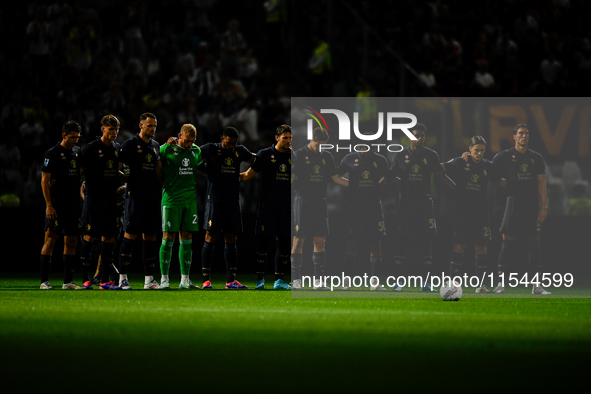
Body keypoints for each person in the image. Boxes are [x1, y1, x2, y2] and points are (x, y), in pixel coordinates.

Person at [390, 123, 455, 291]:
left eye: (422, 136)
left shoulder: (431, 155)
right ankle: (398, 283)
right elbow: (390, 176)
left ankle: (426, 283)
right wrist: (402, 185)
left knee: (426, 242)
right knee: (402, 242)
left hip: (425, 205)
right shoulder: (399, 155)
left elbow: (441, 176)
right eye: (416, 135)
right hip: (406, 205)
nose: (420, 138)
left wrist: (458, 189)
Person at [491, 123, 550, 295]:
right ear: (514, 136)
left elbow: (541, 183)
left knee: (534, 244)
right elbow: (489, 170)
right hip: (513, 204)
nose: (524, 136)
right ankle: (500, 284)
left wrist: (544, 207)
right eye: (521, 133)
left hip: (532, 205)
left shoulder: (536, 157)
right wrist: (502, 183)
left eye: (526, 133)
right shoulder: (504, 156)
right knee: (507, 243)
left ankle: (537, 286)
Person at [443, 136, 503, 293]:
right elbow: (441, 168)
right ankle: (452, 286)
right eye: (476, 150)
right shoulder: (460, 162)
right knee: (459, 247)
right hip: (463, 212)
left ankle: (481, 286)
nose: (479, 153)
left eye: (482, 150)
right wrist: (454, 187)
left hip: (481, 213)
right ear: (470, 149)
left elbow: (500, 181)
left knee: (481, 248)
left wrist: (517, 182)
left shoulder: (488, 166)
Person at [290, 127, 348, 289]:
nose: (319, 147)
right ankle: (296, 280)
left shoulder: (326, 156)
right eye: (317, 144)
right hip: (303, 200)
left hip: (320, 202)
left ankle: (318, 282)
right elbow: (292, 177)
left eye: (323, 145)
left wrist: (357, 186)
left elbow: (336, 178)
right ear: (311, 139)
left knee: (320, 241)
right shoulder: (300, 155)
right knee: (299, 240)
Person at [199, 127, 254, 289]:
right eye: (229, 143)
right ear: (222, 139)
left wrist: (246, 175)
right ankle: (205, 280)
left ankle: (231, 280)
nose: (231, 146)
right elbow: (192, 154)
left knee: (231, 239)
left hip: (232, 202)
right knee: (210, 237)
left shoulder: (240, 151)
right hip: (214, 201)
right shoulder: (210, 149)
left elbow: (255, 159)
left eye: (234, 143)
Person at [241, 124, 293, 290]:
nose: (288, 141)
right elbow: (248, 175)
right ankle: (260, 280)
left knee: (284, 243)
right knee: (263, 243)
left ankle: (279, 280)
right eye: (285, 138)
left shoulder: (294, 157)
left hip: (286, 207)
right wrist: (227, 177)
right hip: (267, 207)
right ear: (277, 138)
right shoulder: (264, 154)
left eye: (290, 138)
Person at [78, 115, 124, 290]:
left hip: (110, 199)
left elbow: (118, 172)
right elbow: (80, 171)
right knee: (89, 237)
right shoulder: (90, 149)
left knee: (109, 239)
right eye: (111, 129)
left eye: (116, 129)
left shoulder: (117, 149)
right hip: (94, 199)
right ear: (102, 129)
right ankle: (85, 279)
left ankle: (104, 281)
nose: (114, 132)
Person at [117, 113, 162, 290]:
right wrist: (125, 180)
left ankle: (149, 280)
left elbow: (158, 172)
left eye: (155, 126)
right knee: (130, 235)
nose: (152, 129)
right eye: (149, 125)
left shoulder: (156, 146)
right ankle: (123, 278)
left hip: (152, 198)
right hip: (135, 197)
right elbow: (117, 168)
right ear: (141, 126)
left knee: (150, 237)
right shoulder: (129, 145)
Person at [39, 120, 86, 290]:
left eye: (77, 137)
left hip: (73, 205)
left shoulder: (77, 153)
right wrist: (49, 205)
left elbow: (80, 172)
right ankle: (44, 282)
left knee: (72, 241)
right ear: (63, 136)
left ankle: (68, 282)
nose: (75, 140)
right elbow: (44, 181)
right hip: (57, 205)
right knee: (51, 239)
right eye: (72, 137)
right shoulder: (52, 153)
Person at [157, 124, 204, 289]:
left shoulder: (196, 151)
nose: (190, 144)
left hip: (189, 201)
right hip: (171, 200)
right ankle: (164, 279)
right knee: (168, 238)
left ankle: (185, 280)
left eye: (193, 141)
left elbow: (204, 167)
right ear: (180, 136)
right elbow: (157, 170)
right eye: (187, 140)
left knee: (187, 239)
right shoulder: (165, 149)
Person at [337, 146, 389, 291]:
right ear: (360, 147)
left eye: (372, 147)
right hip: (356, 207)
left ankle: (375, 283)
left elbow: (388, 176)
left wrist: (376, 186)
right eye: (366, 146)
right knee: (352, 243)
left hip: (374, 207)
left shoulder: (380, 159)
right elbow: (336, 176)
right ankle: (345, 282)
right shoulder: (349, 158)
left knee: (375, 243)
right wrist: (352, 185)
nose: (369, 150)